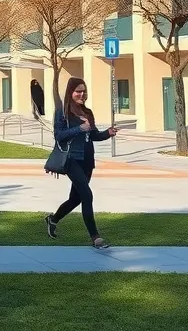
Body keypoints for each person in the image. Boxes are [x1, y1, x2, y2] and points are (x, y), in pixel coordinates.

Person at [45, 77, 119, 249]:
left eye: (84, 91)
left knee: (75, 198)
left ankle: (53, 219)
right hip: (71, 160)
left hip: (87, 160)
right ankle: (96, 238)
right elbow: (59, 135)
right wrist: (79, 128)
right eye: (78, 91)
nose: (82, 94)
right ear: (70, 92)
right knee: (87, 195)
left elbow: (93, 136)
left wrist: (107, 133)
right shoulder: (63, 113)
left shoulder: (87, 112)